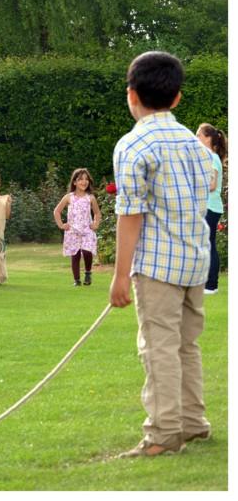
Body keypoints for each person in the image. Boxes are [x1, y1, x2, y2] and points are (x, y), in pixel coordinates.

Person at [110, 51, 213, 458]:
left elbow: (130, 213)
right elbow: (206, 190)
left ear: (131, 94)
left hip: (158, 266)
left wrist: (120, 276)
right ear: (177, 97)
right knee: (187, 345)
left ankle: (165, 433)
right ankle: (192, 422)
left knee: (158, 347)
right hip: (194, 262)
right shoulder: (195, 143)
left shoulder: (133, 145)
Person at [53, 168, 101, 286]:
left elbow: (97, 213)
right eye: (80, 179)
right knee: (75, 255)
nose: (84, 182)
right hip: (72, 231)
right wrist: (61, 224)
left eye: (86, 179)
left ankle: (88, 273)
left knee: (87, 251)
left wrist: (96, 224)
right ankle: (77, 280)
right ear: (74, 182)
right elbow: (57, 211)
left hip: (87, 230)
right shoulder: (69, 197)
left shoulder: (90, 198)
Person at [195, 123, 227, 294]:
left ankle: (211, 285)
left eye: (199, 135)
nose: (196, 138)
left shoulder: (212, 158)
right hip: (207, 207)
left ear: (208, 138)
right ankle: (206, 283)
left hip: (210, 207)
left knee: (208, 244)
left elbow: (212, 184)